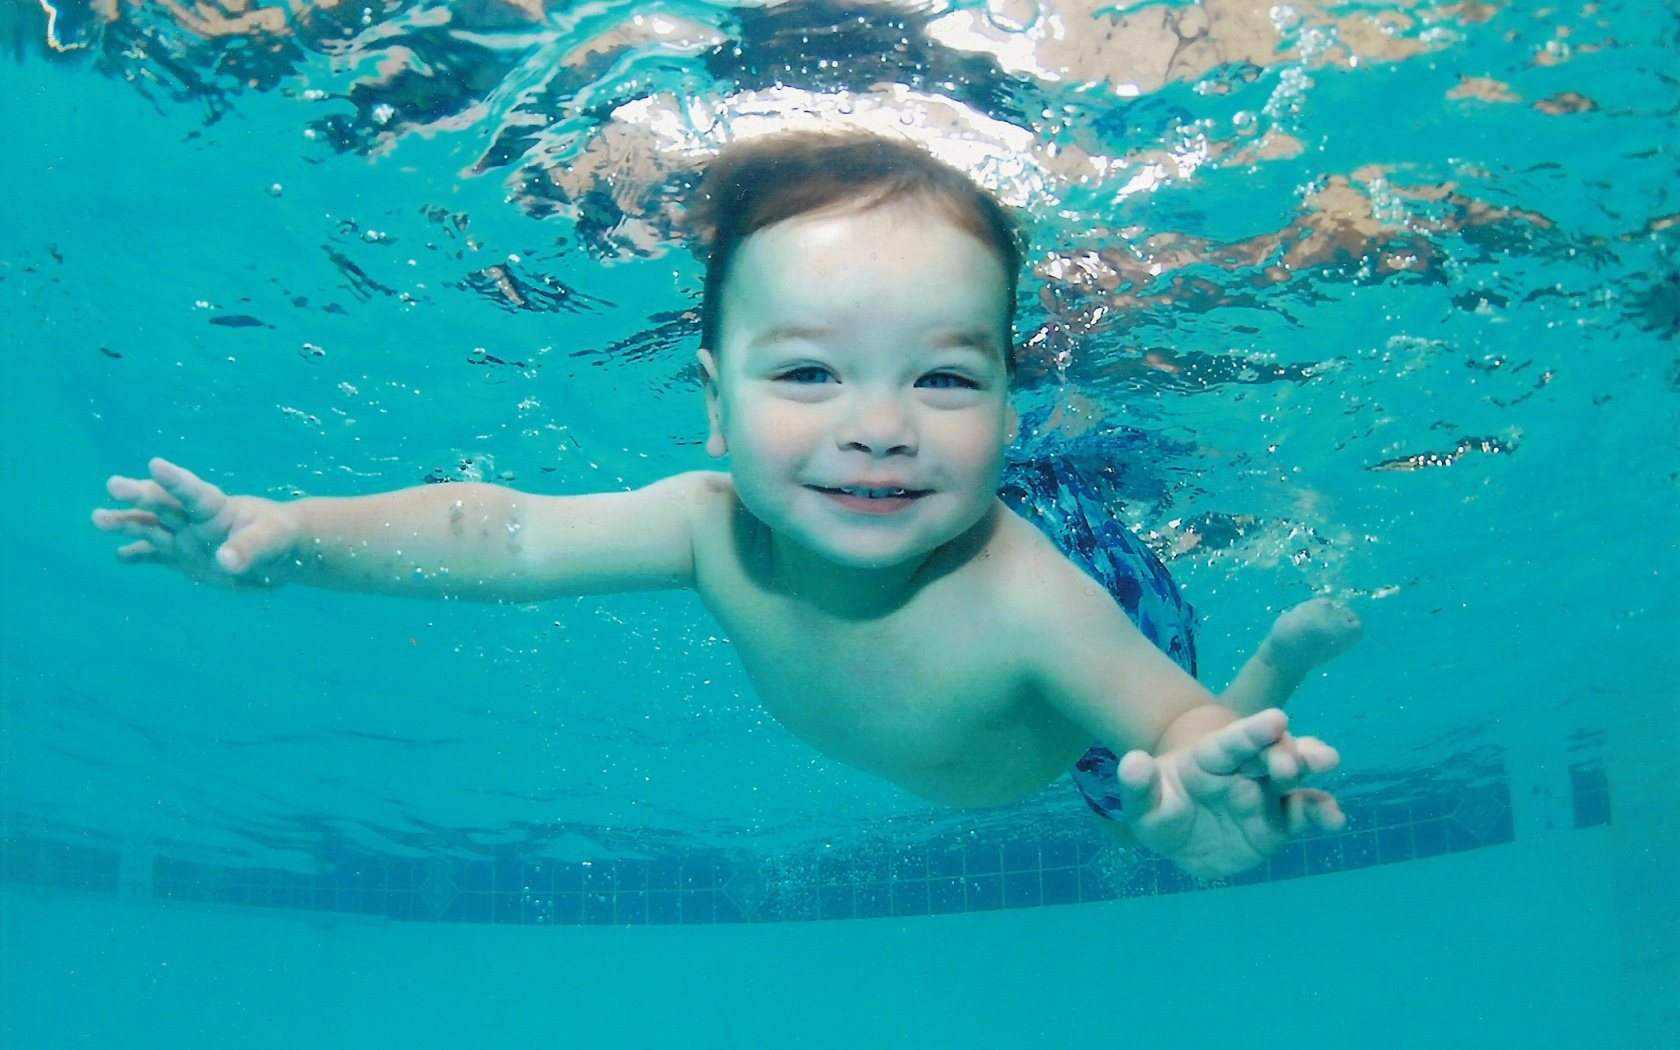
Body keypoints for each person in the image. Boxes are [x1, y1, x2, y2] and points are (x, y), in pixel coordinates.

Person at [92, 132, 1361, 880]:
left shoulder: (1026, 595)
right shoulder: (711, 526)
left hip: (1087, 668)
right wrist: (298, 537)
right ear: (713, 403)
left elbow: (1174, 723)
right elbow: (508, 530)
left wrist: (1208, 782)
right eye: (808, 372)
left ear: (1005, 400)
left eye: (944, 377)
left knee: (1136, 802)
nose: (880, 423)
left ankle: (1230, 301)